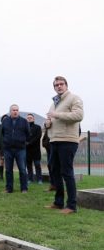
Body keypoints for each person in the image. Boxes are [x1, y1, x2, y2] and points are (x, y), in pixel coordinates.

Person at [44, 76, 83, 214]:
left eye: (61, 84)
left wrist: (57, 114)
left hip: (68, 140)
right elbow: (51, 119)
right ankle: (58, 202)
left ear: (66, 85)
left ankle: (71, 206)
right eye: (56, 85)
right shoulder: (54, 102)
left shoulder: (74, 98)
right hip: (54, 140)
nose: (59, 86)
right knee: (54, 172)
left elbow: (78, 115)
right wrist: (47, 123)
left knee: (66, 173)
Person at [1, 104, 30, 193]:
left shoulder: (24, 121)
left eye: (17, 110)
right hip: (8, 149)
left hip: (20, 149)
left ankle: (24, 188)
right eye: (13, 110)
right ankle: (9, 188)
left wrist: (23, 142)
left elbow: (28, 134)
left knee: (22, 169)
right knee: (8, 170)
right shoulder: (5, 121)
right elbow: (2, 133)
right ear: (10, 111)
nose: (15, 111)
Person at [26, 113, 43, 184]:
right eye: (28, 118)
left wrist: (29, 143)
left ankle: (39, 179)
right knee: (29, 166)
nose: (29, 119)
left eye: (31, 118)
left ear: (33, 119)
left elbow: (38, 136)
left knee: (37, 165)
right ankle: (30, 179)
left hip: (36, 150)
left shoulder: (38, 127)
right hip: (27, 150)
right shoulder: (25, 127)